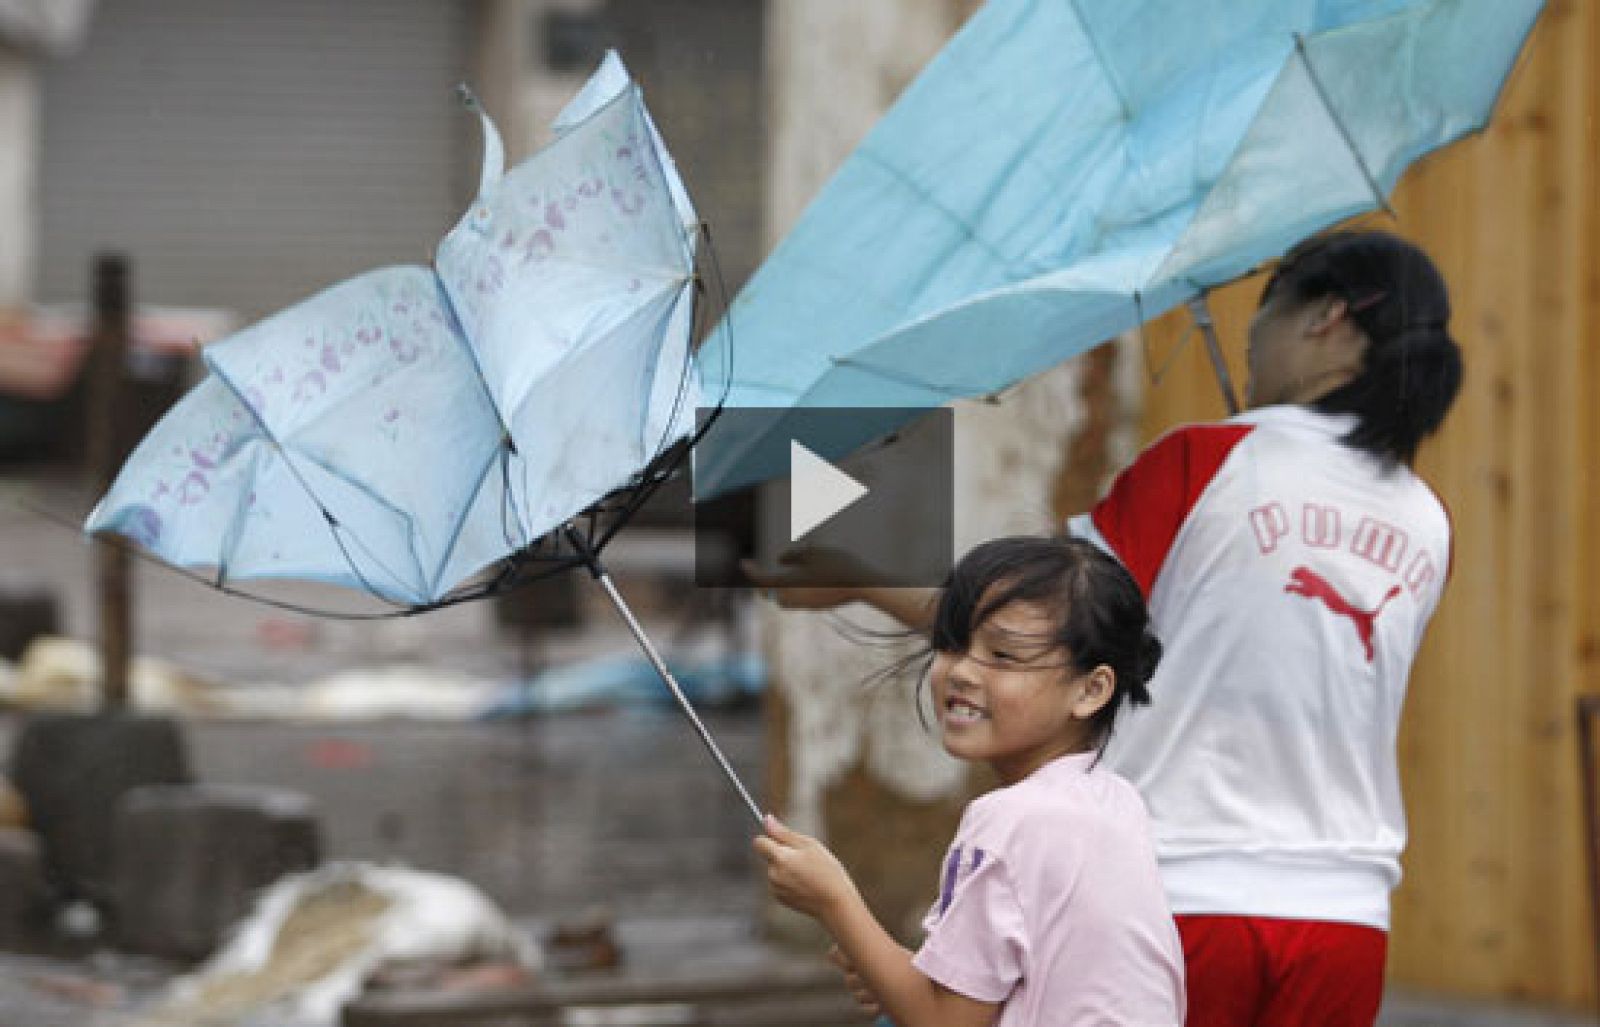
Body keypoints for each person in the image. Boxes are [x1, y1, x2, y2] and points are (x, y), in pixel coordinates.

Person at [752, 229, 1461, 1025]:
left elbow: (1038, 620)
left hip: (1185, 888)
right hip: (1347, 915)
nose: (1247, 338)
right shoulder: (1427, 518)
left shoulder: (1207, 463)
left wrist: (856, 578)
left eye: (1262, 312)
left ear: (1325, 319)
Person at [754, 535, 1185, 1027]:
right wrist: (887, 966)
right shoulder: (1114, 799)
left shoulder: (1013, 820)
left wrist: (834, 902)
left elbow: (944, 1022)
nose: (960, 671)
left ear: (1091, 690)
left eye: (1004, 656)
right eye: (952, 644)